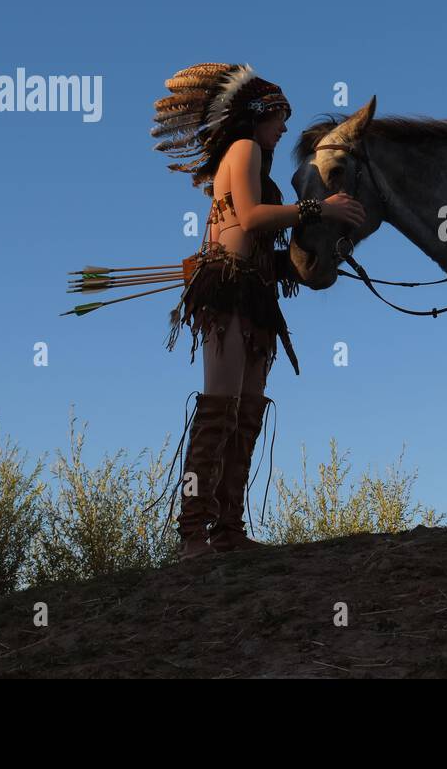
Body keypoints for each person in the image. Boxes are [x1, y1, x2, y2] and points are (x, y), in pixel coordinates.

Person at [151, 63, 364, 560]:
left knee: (245, 413)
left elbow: (258, 240)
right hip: (226, 289)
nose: (285, 127)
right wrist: (320, 209)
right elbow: (248, 217)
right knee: (218, 411)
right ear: (258, 116)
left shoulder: (260, 165)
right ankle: (192, 535)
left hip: (254, 293)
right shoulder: (244, 150)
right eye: (280, 117)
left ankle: (227, 531)